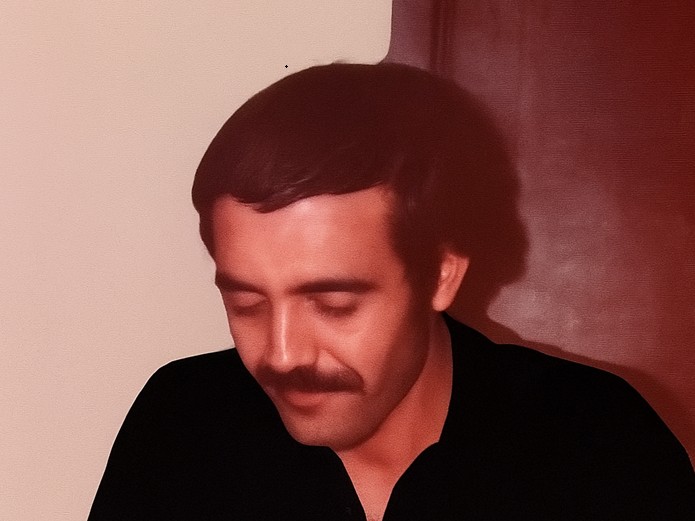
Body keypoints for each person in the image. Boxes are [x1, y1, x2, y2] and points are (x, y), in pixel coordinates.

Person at [89, 63, 695, 520]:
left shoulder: (601, 448)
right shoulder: (182, 426)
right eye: (246, 303)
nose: (282, 354)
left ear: (441, 275)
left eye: (334, 305)